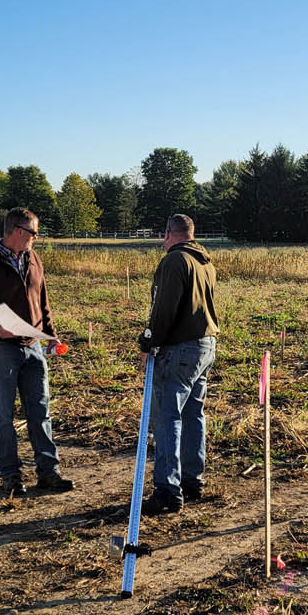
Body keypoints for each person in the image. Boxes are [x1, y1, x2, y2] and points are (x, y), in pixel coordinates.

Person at [0, 207, 72, 496]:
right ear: (18, 232)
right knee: (4, 415)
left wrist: (49, 333)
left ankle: (49, 473)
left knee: (40, 411)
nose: (36, 239)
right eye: (33, 233)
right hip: (3, 348)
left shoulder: (33, 258)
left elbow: (42, 299)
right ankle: (11, 476)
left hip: (34, 346)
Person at [136, 213, 218, 515]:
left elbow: (163, 310)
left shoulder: (174, 261)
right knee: (194, 412)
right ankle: (191, 479)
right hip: (205, 345)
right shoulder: (204, 261)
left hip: (180, 348)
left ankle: (168, 490)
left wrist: (148, 342)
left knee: (167, 415)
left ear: (168, 233)